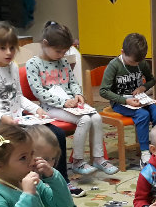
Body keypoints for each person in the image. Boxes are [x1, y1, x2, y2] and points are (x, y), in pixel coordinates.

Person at [0, 22, 83, 198]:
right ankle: (23, 183)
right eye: (2, 48)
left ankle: (60, 179)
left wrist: (36, 109)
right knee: (18, 146)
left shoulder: (12, 66)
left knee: (56, 134)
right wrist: (1, 118)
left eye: (12, 48)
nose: (9, 52)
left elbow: (18, 97)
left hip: (18, 119)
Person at [25, 21, 118, 176]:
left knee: (96, 117)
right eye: (58, 51)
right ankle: (77, 161)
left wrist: (78, 95)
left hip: (71, 104)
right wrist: (64, 102)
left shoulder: (63, 61)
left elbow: (73, 82)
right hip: (50, 107)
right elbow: (39, 92)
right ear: (45, 44)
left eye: (64, 52)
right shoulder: (33, 64)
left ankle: (98, 158)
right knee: (85, 120)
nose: (61, 55)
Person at [99, 33, 156, 167]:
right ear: (122, 52)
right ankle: (145, 153)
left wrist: (143, 87)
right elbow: (103, 91)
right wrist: (125, 101)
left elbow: (152, 80)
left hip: (140, 99)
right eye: (131, 62)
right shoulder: (114, 66)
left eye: (138, 62)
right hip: (120, 102)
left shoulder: (142, 63)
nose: (135, 64)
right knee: (143, 115)